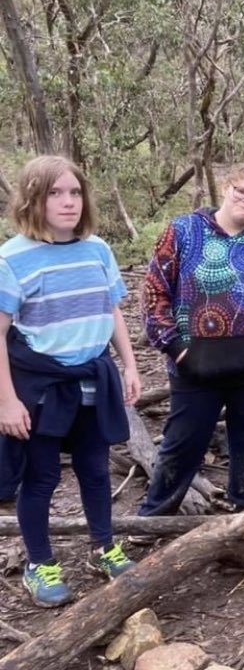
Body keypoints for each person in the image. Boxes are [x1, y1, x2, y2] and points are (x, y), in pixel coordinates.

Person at [0, 155, 140, 607]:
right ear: (32, 200)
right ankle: (40, 563)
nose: (68, 202)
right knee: (41, 478)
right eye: (55, 193)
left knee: (95, 470)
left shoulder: (97, 249)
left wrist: (129, 365)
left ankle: (104, 547)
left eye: (75, 192)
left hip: (92, 381)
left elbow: (111, 309)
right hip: (41, 387)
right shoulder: (12, 258)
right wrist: (6, 402)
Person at [138, 163, 244, 516]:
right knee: (183, 442)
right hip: (194, 362)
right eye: (241, 191)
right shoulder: (184, 231)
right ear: (226, 187)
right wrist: (175, 346)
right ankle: (154, 517)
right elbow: (154, 292)